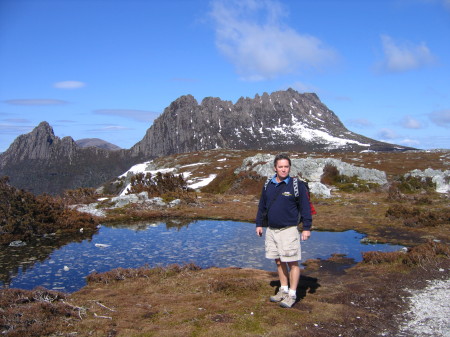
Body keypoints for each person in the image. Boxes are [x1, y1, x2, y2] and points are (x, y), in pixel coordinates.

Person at [255, 153, 312, 308]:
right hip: (271, 230)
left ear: (289, 168)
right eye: (280, 167)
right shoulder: (268, 184)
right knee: (279, 261)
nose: (283, 169)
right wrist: (259, 224)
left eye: (286, 166)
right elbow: (262, 206)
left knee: (292, 262)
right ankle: (283, 290)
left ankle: (292, 295)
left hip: (289, 230)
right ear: (275, 168)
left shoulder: (296, 185)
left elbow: (305, 208)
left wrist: (306, 228)